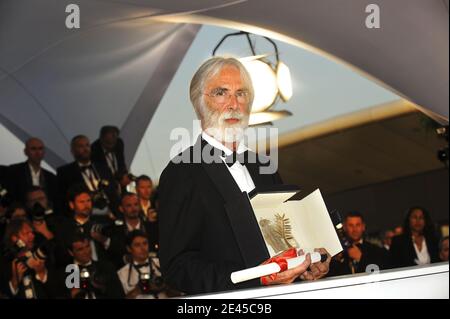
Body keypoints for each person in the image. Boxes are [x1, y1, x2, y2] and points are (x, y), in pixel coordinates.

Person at [159, 57, 330, 295]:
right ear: (199, 102)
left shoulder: (264, 167)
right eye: (221, 93)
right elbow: (177, 267)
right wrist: (254, 279)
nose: (233, 104)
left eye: (241, 94)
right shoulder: (182, 171)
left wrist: (305, 265)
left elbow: (283, 240)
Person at [57, 135, 119, 216]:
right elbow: (63, 199)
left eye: (87, 145)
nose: (85, 149)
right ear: (72, 151)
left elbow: (113, 191)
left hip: (110, 213)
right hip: (84, 216)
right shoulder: (65, 172)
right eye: (81, 146)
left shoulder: (103, 168)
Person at [53, 232, 124, 299]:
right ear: (71, 252)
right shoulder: (64, 274)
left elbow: (118, 294)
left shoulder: (106, 267)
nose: (86, 252)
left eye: (87, 246)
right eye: (80, 249)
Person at [0, 219, 54, 298]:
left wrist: (41, 273)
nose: (32, 236)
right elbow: (6, 292)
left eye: (32, 232)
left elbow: (55, 285)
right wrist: (15, 280)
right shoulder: (6, 262)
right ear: (15, 238)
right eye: (26, 233)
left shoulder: (40, 253)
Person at [107, 193, 159, 269]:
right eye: (129, 205)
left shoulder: (153, 228)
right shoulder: (114, 231)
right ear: (121, 208)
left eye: (136, 204)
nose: (133, 208)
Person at [328, 212, 388, 276]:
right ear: (345, 227)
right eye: (351, 225)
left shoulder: (376, 250)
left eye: (358, 225)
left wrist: (361, 258)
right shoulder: (338, 252)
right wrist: (338, 260)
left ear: (363, 227)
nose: (355, 229)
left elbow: (381, 273)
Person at [117, 230, 171, 299]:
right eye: (137, 245)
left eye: (145, 243)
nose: (143, 248)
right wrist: (138, 290)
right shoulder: (122, 274)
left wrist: (165, 285)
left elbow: (178, 293)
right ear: (129, 248)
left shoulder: (161, 264)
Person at [6, 138, 57, 204]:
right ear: (25, 152)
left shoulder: (50, 177)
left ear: (44, 152)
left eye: (40, 149)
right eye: (33, 149)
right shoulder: (14, 171)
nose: (37, 153)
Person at [91, 126, 130, 190]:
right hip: (105, 185)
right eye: (108, 143)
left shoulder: (119, 143)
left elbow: (121, 162)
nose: (111, 146)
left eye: (113, 142)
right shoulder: (94, 150)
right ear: (101, 139)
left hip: (120, 184)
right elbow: (99, 174)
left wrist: (125, 175)